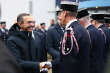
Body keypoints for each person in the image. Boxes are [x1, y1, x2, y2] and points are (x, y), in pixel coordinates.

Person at [57, 0, 90, 73]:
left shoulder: (70, 32)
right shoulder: (82, 29)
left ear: (64, 13)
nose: (59, 17)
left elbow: (67, 63)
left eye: (60, 13)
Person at [77, 9, 105, 73]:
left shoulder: (87, 33)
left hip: (90, 68)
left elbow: (84, 54)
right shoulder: (99, 31)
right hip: (99, 67)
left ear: (79, 20)